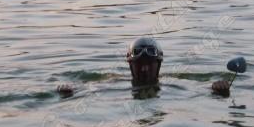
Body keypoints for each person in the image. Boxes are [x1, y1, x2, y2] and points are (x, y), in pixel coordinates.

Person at [58, 37, 231, 97]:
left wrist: (215, 87)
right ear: (130, 66)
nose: (145, 70)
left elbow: (199, 86)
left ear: (159, 65)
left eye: (149, 65)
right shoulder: (114, 80)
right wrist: (72, 90)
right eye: (140, 65)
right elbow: (90, 87)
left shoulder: (173, 81)